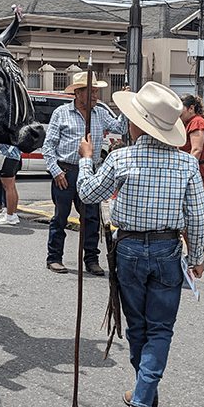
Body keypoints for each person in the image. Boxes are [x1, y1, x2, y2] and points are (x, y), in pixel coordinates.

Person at [76, 81, 204, 407]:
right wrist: (197, 256)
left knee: (138, 326)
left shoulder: (121, 157)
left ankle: (142, 397)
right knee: (160, 329)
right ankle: (144, 395)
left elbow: (88, 194)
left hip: (129, 250)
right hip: (168, 250)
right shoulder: (186, 164)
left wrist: (86, 160)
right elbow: (199, 219)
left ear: (138, 124)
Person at [41, 71, 128, 275]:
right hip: (66, 172)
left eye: (96, 92)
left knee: (91, 219)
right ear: (78, 93)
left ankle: (91, 260)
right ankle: (54, 258)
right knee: (60, 217)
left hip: (90, 173)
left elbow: (121, 127)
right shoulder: (61, 113)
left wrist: (125, 104)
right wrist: (56, 172)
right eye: (91, 92)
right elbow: (48, 146)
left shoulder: (100, 113)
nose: (95, 96)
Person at [178, 94, 204, 190]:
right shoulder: (188, 122)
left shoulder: (197, 122)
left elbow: (196, 150)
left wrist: (188, 172)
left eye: (181, 109)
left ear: (191, 108)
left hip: (195, 171)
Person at [0, 144, 22, 226]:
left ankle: (9, 216)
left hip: (7, 157)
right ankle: (13, 214)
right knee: (12, 187)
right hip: (15, 157)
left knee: (8, 187)